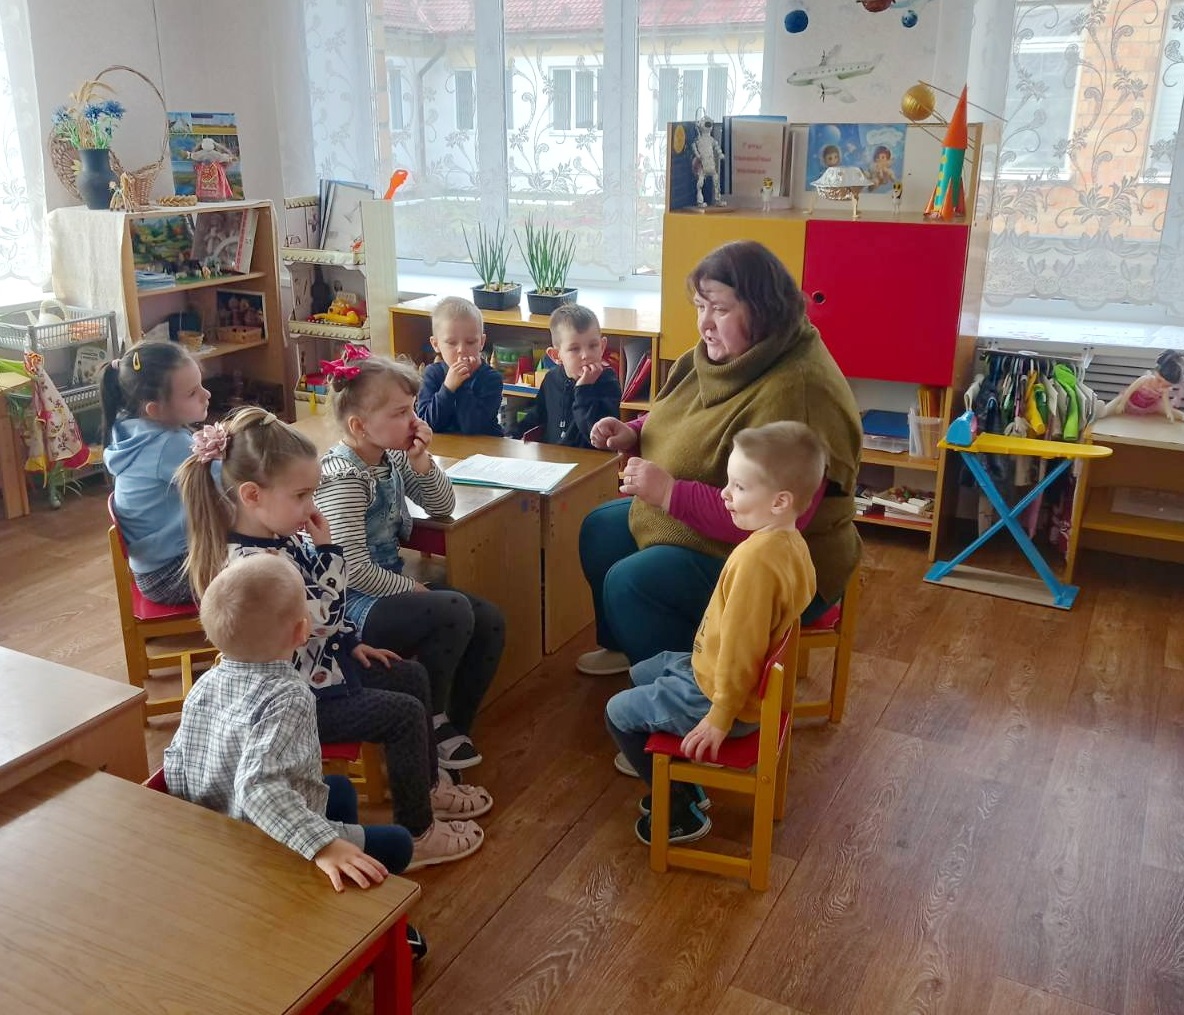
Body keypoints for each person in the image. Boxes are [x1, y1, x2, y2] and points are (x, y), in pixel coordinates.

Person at [177, 405, 488, 869]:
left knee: (411, 677)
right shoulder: (253, 567)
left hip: (318, 673)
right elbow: (317, 617)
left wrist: (349, 643)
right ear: (252, 495)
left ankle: (425, 788)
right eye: (302, 495)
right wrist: (329, 554)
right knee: (403, 714)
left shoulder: (278, 537)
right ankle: (418, 833)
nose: (311, 508)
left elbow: (319, 625)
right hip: (293, 704)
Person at [577, 240, 861, 680]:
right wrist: (635, 432)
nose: (705, 324)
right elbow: (682, 414)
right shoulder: (728, 354)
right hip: (716, 518)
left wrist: (670, 493)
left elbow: (774, 520)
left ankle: (691, 694)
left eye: (721, 310)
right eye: (700, 306)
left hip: (780, 561)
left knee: (635, 581)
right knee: (600, 530)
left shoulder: (799, 391)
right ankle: (629, 647)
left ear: (763, 310)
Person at [606, 422, 823, 844]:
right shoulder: (792, 544)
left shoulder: (754, 564)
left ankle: (678, 806)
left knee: (617, 712)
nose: (724, 494)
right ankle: (680, 778)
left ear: (780, 501)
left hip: (720, 696)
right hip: (713, 670)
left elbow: (743, 652)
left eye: (739, 487)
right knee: (642, 671)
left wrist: (720, 717)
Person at [163, 552, 415, 890]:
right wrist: (323, 846)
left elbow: (176, 762)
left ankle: (337, 885)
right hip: (266, 843)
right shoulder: (289, 695)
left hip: (217, 823)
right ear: (302, 631)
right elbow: (257, 788)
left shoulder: (205, 681)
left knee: (339, 789)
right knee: (399, 843)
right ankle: (347, 894)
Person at [315, 348, 506, 771]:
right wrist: (412, 588)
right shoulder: (344, 478)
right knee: (452, 610)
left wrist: (421, 461)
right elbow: (349, 569)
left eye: (413, 408)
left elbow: (442, 505)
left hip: (387, 586)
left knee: (489, 619)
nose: (414, 420)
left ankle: (453, 723)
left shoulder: (393, 456)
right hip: (351, 607)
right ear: (359, 426)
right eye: (401, 412)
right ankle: (429, 723)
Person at [102, 341, 210, 605]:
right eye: (192, 393)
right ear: (155, 409)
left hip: (154, 570)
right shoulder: (168, 445)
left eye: (201, 385)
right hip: (171, 574)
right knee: (266, 562)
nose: (206, 394)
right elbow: (226, 480)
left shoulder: (130, 430)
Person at [510, 304, 621, 448]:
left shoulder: (608, 382)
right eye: (574, 349)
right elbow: (537, 415)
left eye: (593, 345)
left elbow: (598, 437)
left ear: (602, 346)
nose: (585, 355)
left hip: (590, 458)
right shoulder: (551, 379)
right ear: (556, 355)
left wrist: (584, 389)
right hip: (553, 456)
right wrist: (513, 435)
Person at [415, 296, 504, 435]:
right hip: (443, 447)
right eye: (451, 343)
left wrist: (462, 383)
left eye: (470, 342)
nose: (461, 349)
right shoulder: (431, 374)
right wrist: (448, 388)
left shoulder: (492, 378)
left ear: (481, 342)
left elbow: (473, 428)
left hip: (482, 446)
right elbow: (428, 425)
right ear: (436, 344)